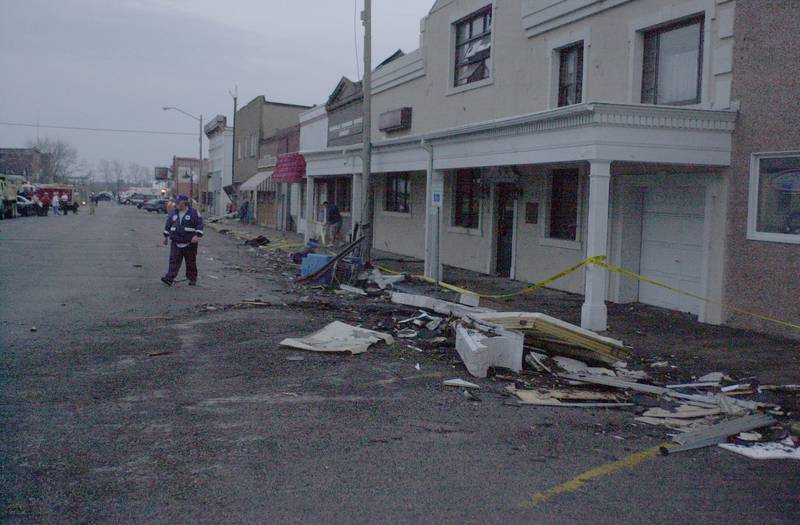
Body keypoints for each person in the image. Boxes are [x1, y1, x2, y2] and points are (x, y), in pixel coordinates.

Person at [161, 195, 204, 286]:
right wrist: (165, 237)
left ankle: (192, 278)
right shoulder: (173, 213)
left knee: (190, 261)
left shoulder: (194, 213)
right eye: (176, 203)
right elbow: (168, 225)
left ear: (184, 203)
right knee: (173, 261)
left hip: (190, 242)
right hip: (176, 241)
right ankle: (169, 278)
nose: (176, 205)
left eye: (178, 203)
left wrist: (197, 235)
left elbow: (199, 224)